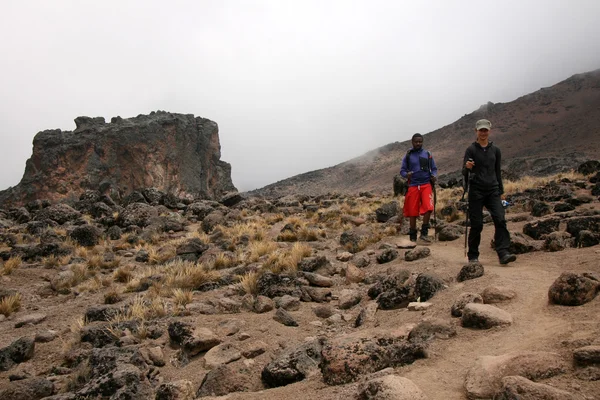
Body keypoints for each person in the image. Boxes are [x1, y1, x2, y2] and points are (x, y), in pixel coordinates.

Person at [462, 119, 516, 265]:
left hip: (493, 189)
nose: (483, 133)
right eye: (481, 130)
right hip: (476, 191)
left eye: (486, 130)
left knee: (500, 219)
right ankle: (473, 255)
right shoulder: (471, 150)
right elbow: (464, 172)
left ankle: (503, 252)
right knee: (477, 224)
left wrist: (501, 191)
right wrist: (467, 167)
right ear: (476, 131)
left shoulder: (495, 150)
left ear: (489, 131)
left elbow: (497, 171)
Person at [400, 133, 437, 243]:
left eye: (420, 141)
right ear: (412, 142)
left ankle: (424, 234)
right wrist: (407, 175)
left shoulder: (428, 154)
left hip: (426, 184)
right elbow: (402, 170)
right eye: (416, 142)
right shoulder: (408, 155)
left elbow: (434, 168)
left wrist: (434, 176)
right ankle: (412, 236)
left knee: (429, 208)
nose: (418, 143)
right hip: (413, 185)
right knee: (412, 211)